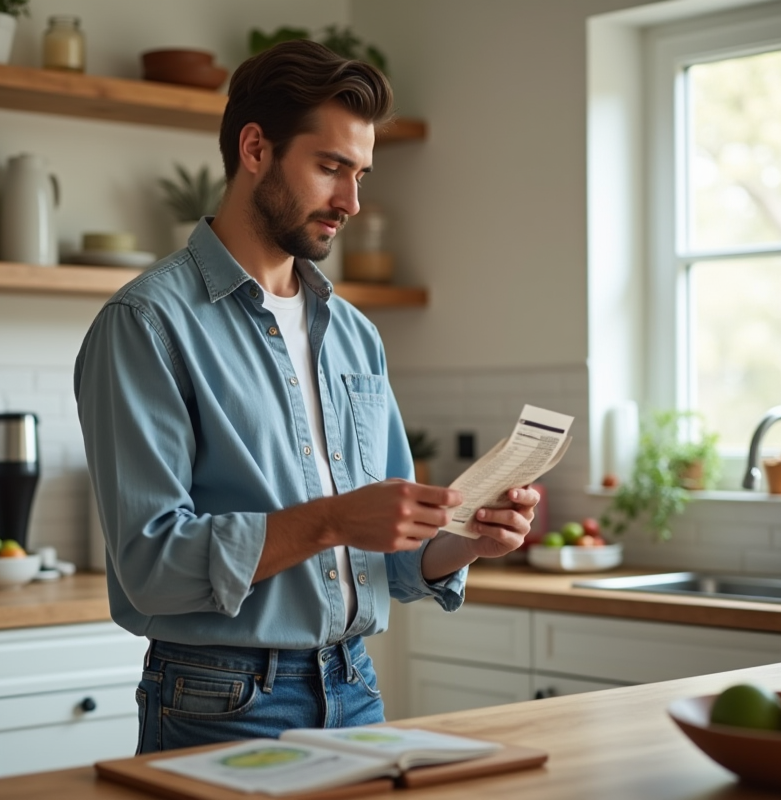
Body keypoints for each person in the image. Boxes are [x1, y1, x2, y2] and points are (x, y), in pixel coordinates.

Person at [74, 39, 539, 755]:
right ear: (255, 148)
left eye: (360, 175)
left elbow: (391, 558)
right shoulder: (147, 325)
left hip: (355, 688)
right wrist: (330, 521)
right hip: (221, 698)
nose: (351, 201)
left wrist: (462, 541)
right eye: (330, 168)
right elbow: (149, 567)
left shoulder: (355, 335)